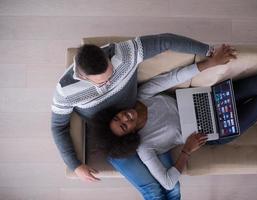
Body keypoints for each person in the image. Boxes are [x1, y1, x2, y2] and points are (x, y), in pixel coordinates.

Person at [103, 44, 257, 193]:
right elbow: (168, 182)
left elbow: (173, 77)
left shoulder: (141, 96)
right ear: (129, 135)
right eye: (123, 126)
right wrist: (186, 151)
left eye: (117, 117)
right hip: (210, 131)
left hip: (207, 99)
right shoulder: (145, 148)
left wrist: (211, 62)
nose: (124, 118)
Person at [51, 33, 217, 199]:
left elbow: (165, 41)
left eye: (112, 74)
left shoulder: (124, 53)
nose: (109, 83)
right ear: (83, 77)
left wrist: (209, 51)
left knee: (173, 190)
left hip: (139, 123)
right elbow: (58, 126)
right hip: (113, 137)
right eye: (102, 82)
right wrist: (75, 165)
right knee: (153, 192)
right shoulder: (65, 92)